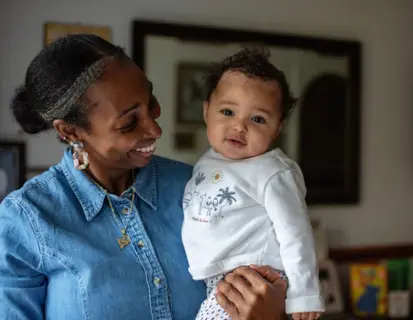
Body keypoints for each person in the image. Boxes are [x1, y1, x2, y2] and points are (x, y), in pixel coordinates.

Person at [0, 34, 288, 320]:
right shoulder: (27, 220)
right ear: (70, 132)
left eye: (150, 101)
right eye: (129, 122)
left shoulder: (196, 187)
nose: (154, 129)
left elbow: (258, 278)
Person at [182, 48, 324, 320]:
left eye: (257, 119)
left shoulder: (272, 171)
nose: (239, 127)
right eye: (227, 111)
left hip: (256, 275)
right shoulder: (207, 162)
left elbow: (296, 234)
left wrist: (304, 294)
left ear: (278, 127)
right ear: (205, 110)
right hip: (221, 278)